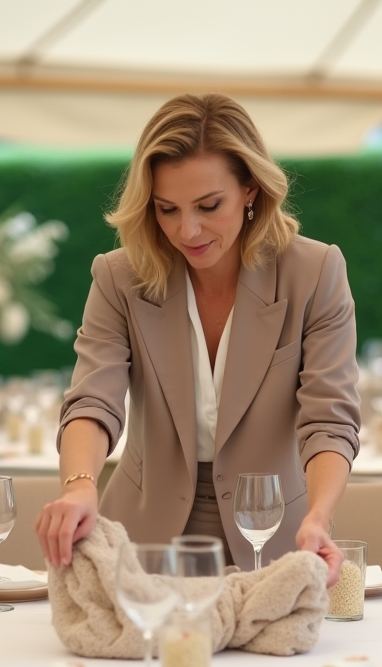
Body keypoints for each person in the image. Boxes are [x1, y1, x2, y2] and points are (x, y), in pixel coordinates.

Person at [34, 93, 360, 586]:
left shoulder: (314, 273)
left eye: (209, 206)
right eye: (167, 209)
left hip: (275, 541)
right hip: (142, 548)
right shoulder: (119, 278)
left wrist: (318, 517)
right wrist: (79, 485)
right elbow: (92, 401)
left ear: (250, 189)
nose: (187, 230)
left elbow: (329, 420)